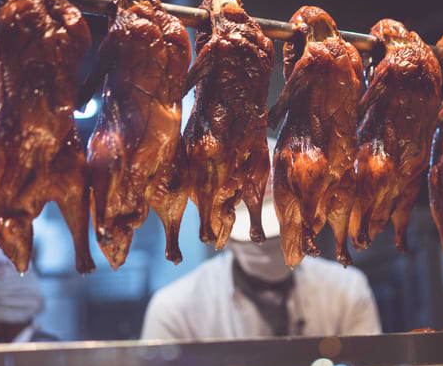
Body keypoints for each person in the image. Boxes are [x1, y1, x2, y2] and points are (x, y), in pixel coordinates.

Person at [141, 140, 381, 340]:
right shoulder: (174, 309)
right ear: (220, 232)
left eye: (278, 236)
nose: (263, 242)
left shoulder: (347, 291)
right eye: (251, 239)